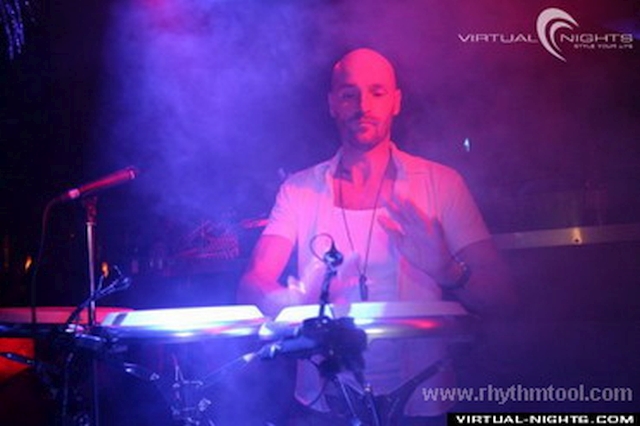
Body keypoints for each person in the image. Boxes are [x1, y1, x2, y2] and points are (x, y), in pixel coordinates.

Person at [238, 47, 516, 424]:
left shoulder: (441, 183)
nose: (363, 105)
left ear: (396, 101)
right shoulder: (298, 190)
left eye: (377, 92)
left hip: (421, 402)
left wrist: (447, 271)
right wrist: (285, 301)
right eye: (349, 94)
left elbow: (502, 296)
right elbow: (251, 284)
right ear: (332, 104)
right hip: (327, 404)